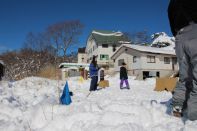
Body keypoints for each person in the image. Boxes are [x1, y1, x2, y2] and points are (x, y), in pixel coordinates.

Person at [168, 0, 197, 120]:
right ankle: (194, 115)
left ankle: (177, 106)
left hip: (179, 37)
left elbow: (171, 23)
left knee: (184, 76)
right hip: (195, 32)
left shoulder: (172, 3)